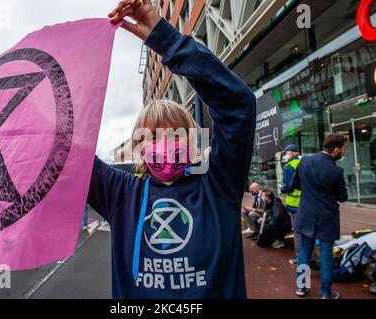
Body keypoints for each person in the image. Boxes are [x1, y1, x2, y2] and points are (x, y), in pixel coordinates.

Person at [87, 0, 256, 298]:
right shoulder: (121, 193)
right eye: (153, 136)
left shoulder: (220, 186)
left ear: (194, 141)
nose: (165, 144)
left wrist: (166, 40)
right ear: (139, 146)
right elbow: (63, 151)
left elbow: (238, 105)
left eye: (176, 134)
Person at [293, 134, 348, 299]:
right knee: (326, 255)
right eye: (344, 149)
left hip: (306, 213)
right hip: (327, 217)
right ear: (336, 150)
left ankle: (302, 287)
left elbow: (295, 184)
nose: (344, 153)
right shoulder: (336, 171)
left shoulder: (305, 161)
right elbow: (342, 196)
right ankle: (325, 292)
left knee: (304, 250)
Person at [280, 144, 302, 263]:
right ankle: (312, 257)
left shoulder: (289, 166)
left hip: (295, 204)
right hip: (308, 202)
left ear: (293, 153)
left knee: (298, 232)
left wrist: (282, 188)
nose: (286, 155)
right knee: (309, 231)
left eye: (287, 153)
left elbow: (289, 187)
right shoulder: (305, 161)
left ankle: (300, 258)